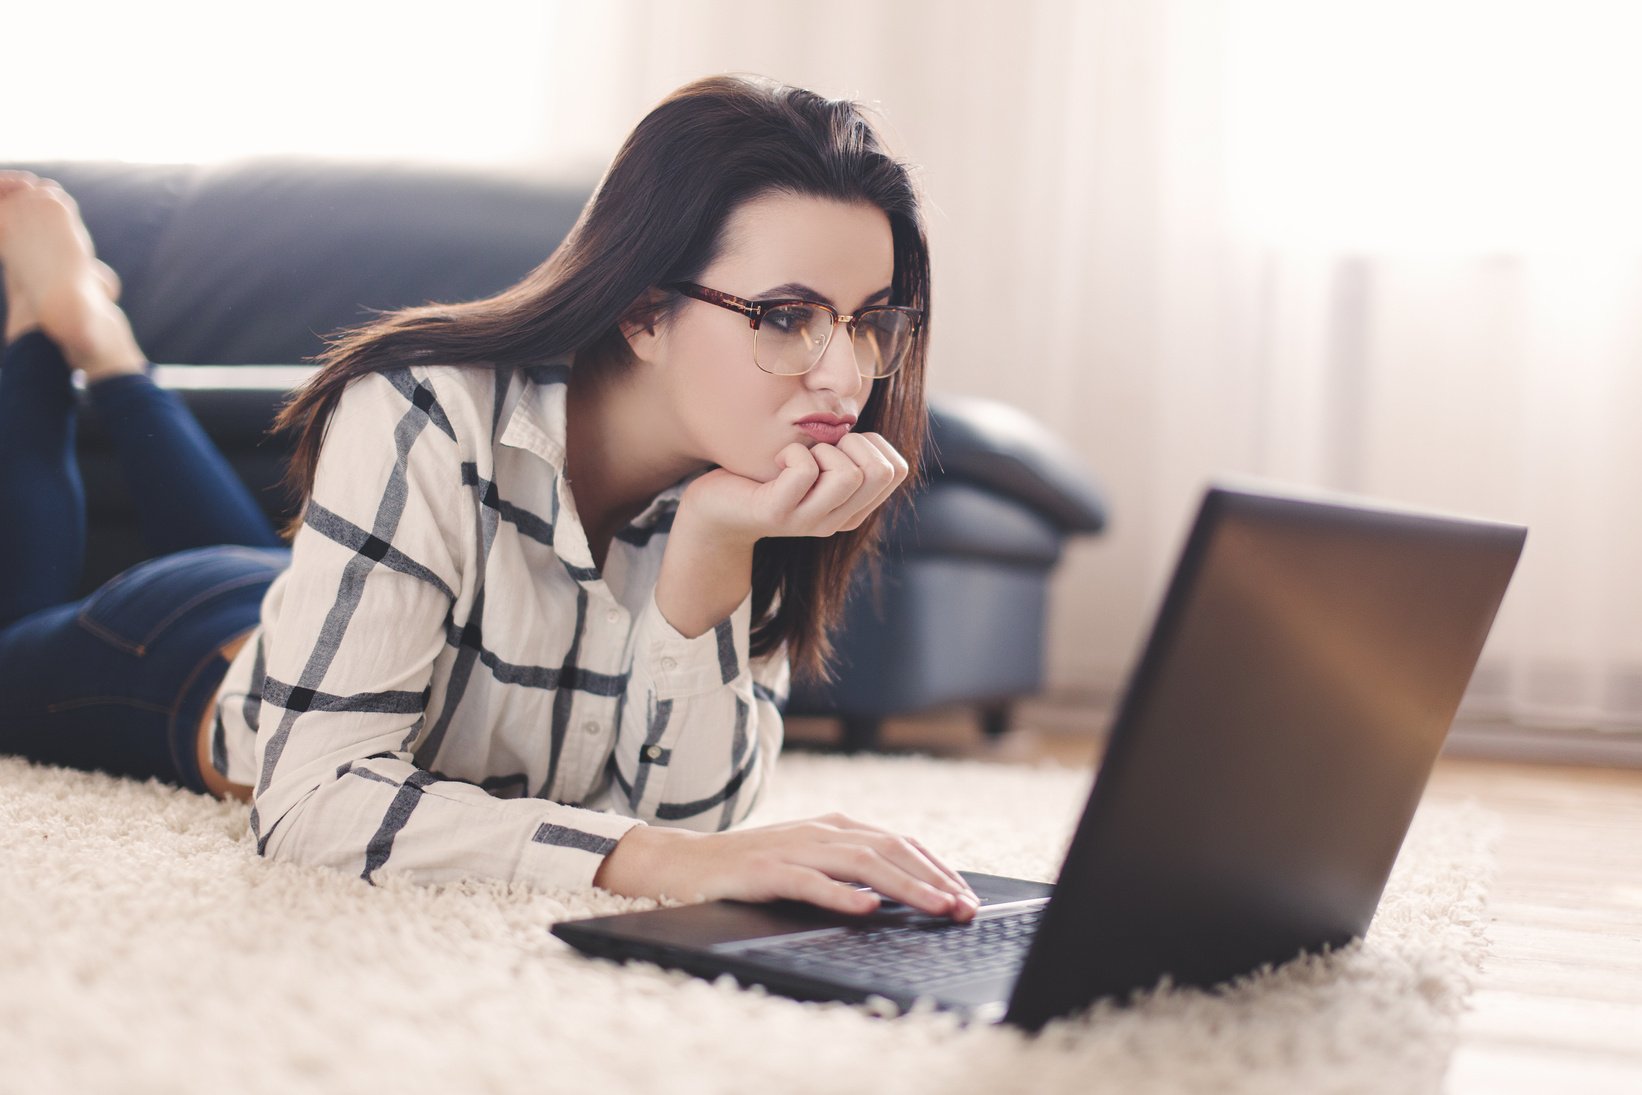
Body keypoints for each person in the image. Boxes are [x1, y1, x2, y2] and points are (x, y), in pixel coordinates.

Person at [0, 75, 980, 922]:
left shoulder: (762, 476)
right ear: (645, 311)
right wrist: (648, 862)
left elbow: (697, 828)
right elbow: (312, 799)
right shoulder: (427, 407)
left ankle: (107, 342)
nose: (845, 379)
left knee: (282, 580)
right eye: (785, 316)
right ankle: (64, 335)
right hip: (176, 660)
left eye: (868, 322)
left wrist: (711, 553)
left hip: (307, 604)